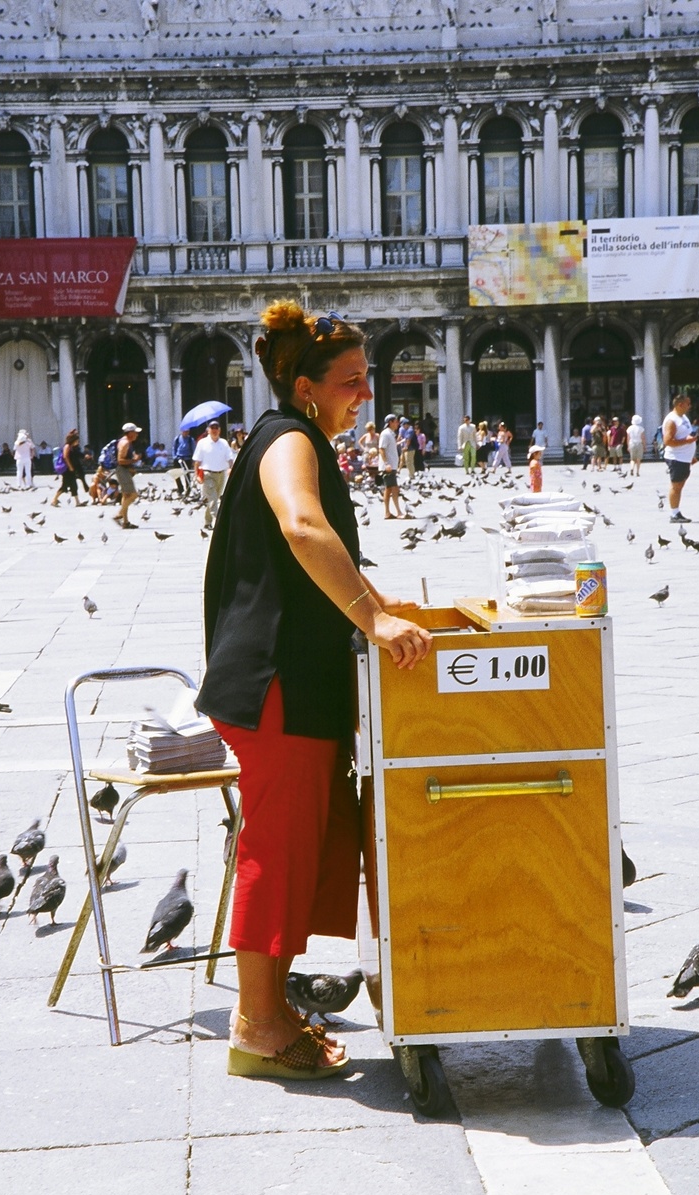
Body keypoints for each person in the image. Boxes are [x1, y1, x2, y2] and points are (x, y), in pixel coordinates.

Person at [196, 300, 432, 1080]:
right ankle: (257, 1025)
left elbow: (302, 559)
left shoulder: (294, 437)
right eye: (351, 380)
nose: (367, 392)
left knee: (295, 849)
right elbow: (302, 528)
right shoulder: (289, 440)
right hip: (277, 686)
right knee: (277, 851)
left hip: (290, 682)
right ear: (306, 388)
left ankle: (270, 1010)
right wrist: (374, 618)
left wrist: (381, 602)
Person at [662, 394, 698, 522]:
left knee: (680, 485)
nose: (690, 406)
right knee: (676, 486)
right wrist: (687, 442)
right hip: (676, 457)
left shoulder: (683, 417)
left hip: (684, 458)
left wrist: (691, 455)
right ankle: (674, 514)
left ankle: (676, 511)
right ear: (680, 404)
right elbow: (668, 441)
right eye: (688, 404)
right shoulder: (672, 420)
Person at [193, 420, 234, 528]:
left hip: (221, 474)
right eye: (212, 428)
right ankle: (221, 522)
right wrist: (197, 475)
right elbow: (197, 461)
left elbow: (230, 458)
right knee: (213, 499)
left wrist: (231, 468)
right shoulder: (202, 443)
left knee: (213, 498)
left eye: (216, 428)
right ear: (208, 430)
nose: (214, 430)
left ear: (219, 430)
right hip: (208, 475)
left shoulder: (224, 443)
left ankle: (207, 522)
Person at [114, 422, 143, 529]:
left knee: (126, 495)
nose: (137, 435)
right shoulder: (125, 443)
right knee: (133, 495)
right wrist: (134, 460)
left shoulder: (126, 442)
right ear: (130, 433)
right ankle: (119, 514)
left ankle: (125, 522)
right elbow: (120, 460)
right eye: (135, 432)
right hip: (122, 470)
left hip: (123, 470)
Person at [51, 431, 86, 507]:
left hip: (71, 470)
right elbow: (65, 457)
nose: (78, 442)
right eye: (77, 440)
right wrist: (70, 466)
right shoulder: (67, 446)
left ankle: (77, 502)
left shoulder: (73, 448)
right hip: (67, 470)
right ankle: (54, 500)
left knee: (74, 485)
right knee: (64, 486)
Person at [379, 414, 404, 518]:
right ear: (390, 422)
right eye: (396, 421)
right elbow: (381, 449)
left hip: (392, 465)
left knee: (390, 488)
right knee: (392, 488)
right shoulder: (386, 434)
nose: (398, 423)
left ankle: (389, 512)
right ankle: (397, 512)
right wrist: (386, 464)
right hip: (388, 466)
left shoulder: (391, 434)